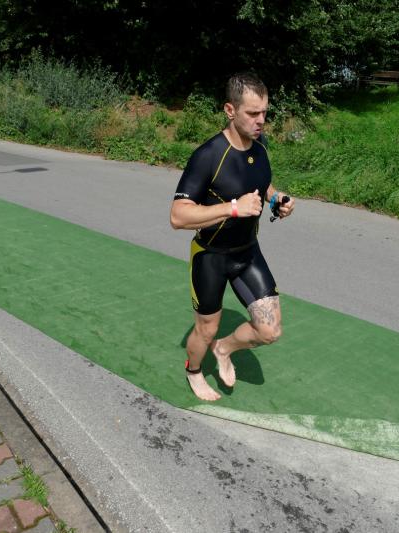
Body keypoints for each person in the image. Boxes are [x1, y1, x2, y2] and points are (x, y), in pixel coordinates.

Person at [170, 72, 295, 401]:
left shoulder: (261, 146)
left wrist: (276, 200)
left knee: (270, 331)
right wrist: (233, 208)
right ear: (230, 110)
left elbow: (261, 186)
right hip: (210, 257)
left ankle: (223, 349)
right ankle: (194, 370)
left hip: (247, 253)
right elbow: (178, 216)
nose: (261, 121)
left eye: (265, 112)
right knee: (206, 328)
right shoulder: (208, 155)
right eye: (252, 113)